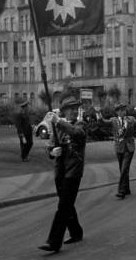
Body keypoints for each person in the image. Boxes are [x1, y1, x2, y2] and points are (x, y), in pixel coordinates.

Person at [38, 96, 87, 253]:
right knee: (67, 205)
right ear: (65, 111)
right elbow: (49, 146)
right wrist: (52, 151)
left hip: (73, 172)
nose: (74, 111)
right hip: (60, 171)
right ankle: (76, 232)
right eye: (70, 109)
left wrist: (58, 121)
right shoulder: (58, 127)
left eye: (75, 108)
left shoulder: (80, 125)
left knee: (63, 206)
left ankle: (53, 242)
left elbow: (76, 133)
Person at [96, 103, 136, 199]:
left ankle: (121, 191)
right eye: (120, 110)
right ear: (117, 112)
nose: (123, 112)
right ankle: (127, 189)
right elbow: (102, 122)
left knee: (124, 168)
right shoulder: (113, 120)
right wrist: (98, 113)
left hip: (129, 147)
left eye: (124, 110)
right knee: (123, 170)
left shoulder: (131, 119)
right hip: (119, 148)